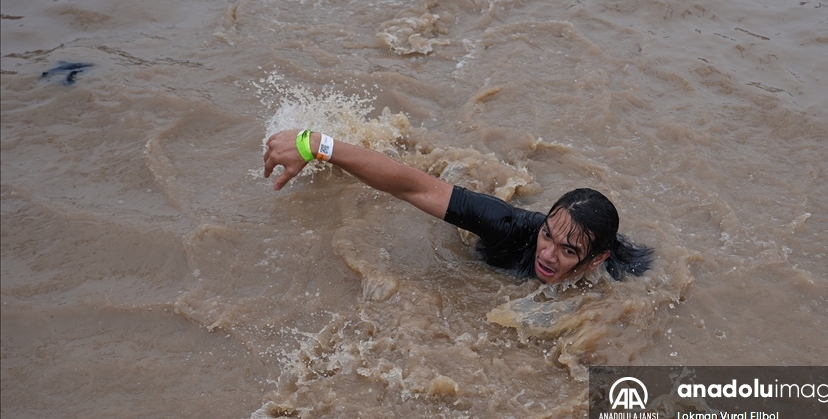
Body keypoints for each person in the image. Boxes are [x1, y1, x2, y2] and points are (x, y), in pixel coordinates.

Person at [263, 129, 653, 284]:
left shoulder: (620, 267)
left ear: (596, 259)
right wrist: (316, 145)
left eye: (568, 251)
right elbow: (411, 185)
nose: (547, 255)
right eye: (547, 235)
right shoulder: (506, 225)